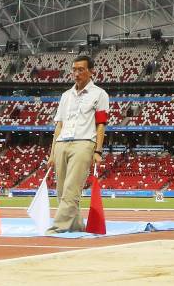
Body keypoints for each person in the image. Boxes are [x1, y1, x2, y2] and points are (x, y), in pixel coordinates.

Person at [46, 55, 109, 234]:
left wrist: (98, 151)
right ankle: (76, 226)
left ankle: (58, 227)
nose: (76, 73)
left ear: (91, 72)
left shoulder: (100, 94)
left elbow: (101, 124)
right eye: (74, 69)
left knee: (71, 189)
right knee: (61, 190)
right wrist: (52, 153)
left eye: (81, 69)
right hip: (61, 144)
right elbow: (59, 125)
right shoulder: (66, 96)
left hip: (84, 143)